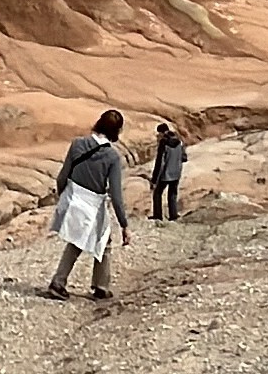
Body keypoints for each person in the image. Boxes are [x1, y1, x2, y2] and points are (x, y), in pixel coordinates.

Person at [45, 108, 130, 300]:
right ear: (117, 131)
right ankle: (94, 286)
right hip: (93, 204)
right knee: (100, 241)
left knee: (82, 240)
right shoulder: (112, 157)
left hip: (73, 198)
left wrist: (64, 198)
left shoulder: (78, 144)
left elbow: (62, 176)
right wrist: (124, 224)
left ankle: (66, 282)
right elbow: (116, 194)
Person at [150, 119, 188, 222]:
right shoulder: (179, 141)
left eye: (159, 134)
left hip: (166, 174)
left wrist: (154, 180)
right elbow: (184, 158)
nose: (158, 137)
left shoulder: (164, 143)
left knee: (157, 193)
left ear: (162, 133)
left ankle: (158, 216)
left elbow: (159, 162)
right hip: (176, 173)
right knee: (172, 194)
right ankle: (173, 216)